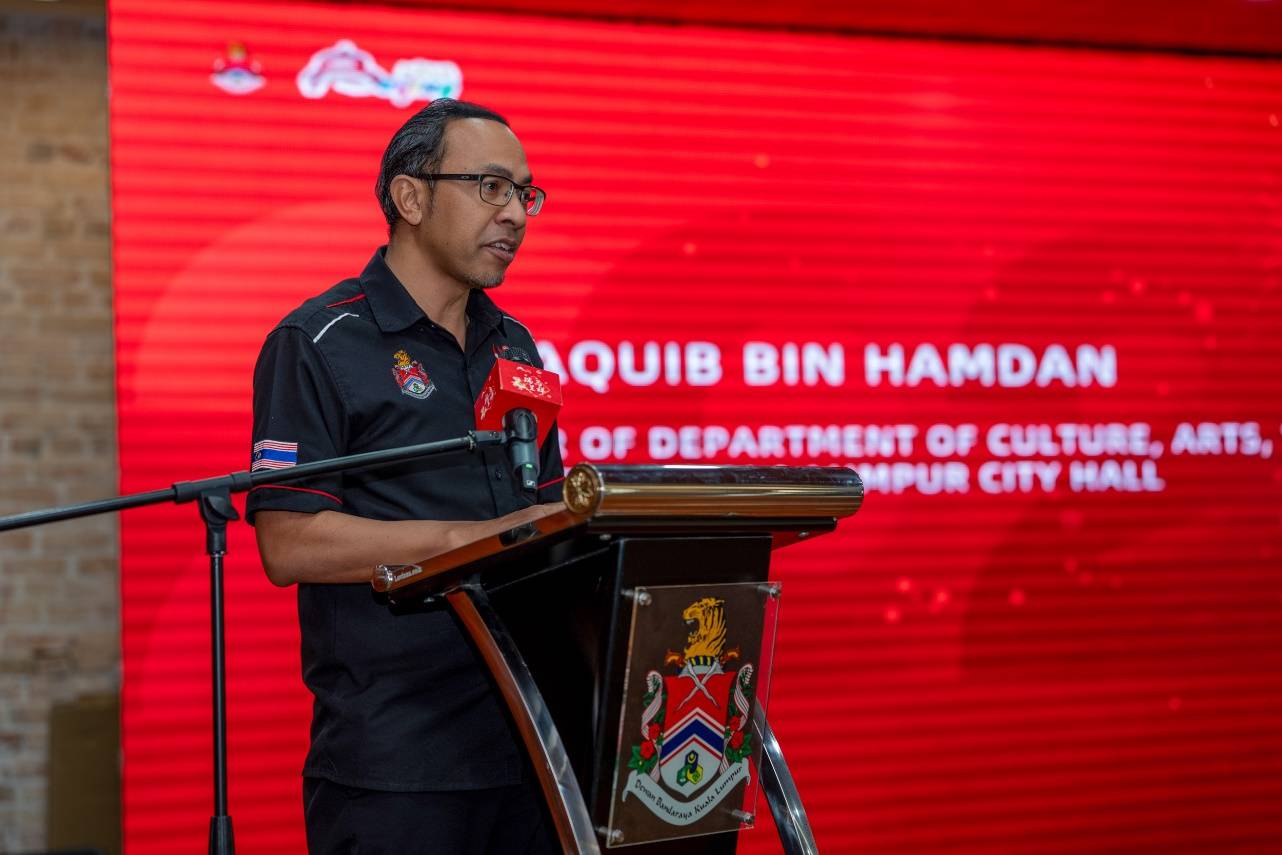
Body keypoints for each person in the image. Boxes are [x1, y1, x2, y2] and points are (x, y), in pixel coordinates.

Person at [247, 99, 564, 854]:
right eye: (490, 186)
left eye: (525, 193)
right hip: (398, 764)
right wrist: (469, 540)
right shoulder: (318, 341)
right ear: (411, 197)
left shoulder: (515, 343)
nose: (515, 214)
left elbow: (548, 515)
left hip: (534, 748)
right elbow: (288, 542)